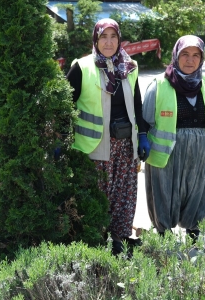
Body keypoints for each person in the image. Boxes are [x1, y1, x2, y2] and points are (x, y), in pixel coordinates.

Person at [65, 18, 150, 255]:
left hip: (125, 145)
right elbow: (65, 107)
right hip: (94, 148)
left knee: (124, 196)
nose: (109, 42)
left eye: (113, 37)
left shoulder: (129, 67)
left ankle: (119, 242)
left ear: (119, 39)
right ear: (96, 39)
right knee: (97, 198)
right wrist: (61, 140)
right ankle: (96, 243)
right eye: (104, 37)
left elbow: (136, 103)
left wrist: (142, 135)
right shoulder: (81, 67)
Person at [142, 35, 205, 244]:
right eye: (185, 54)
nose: (190, 60)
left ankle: (193, 249)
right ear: (176, 55)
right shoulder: (159, 85)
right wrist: (141, 147)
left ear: (202, 59)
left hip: (201, 157)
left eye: (196, 55)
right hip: (166, 156)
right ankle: (164, 248)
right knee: (164, 200)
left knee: (197, 198)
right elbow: (144, 122)